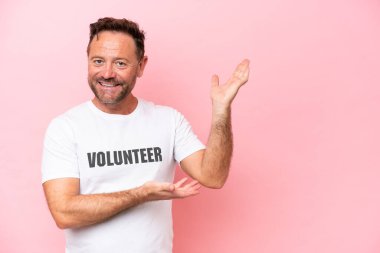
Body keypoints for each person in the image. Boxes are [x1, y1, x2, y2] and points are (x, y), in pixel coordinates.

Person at [42, 17, 249, 253]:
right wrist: (140, 195)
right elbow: (63, 213)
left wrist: (221, 110)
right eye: (98, 61)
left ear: (141, 66)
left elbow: (213, 176)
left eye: (120, 63)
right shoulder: (65, 128)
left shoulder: (168, 120)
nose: (107, 73)